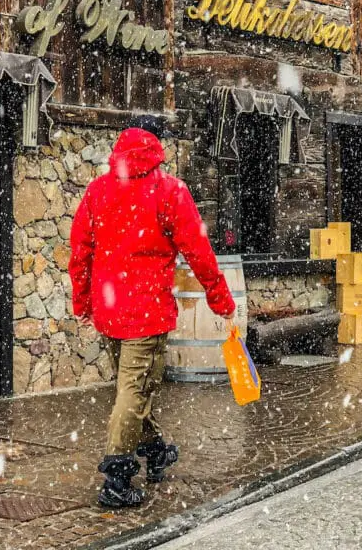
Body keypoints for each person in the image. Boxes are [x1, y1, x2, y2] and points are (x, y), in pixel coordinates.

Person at [69, 114, 237, 508]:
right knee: (133, 390)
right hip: (147, 312)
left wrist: (83, 301)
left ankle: (157, 450)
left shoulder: (98, 191)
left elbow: (81, 252)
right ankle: (116, 478)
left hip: (110, 311)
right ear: (157, 149)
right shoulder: (169, 191)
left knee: (132, 387)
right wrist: (220, 299)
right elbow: (199, 252)